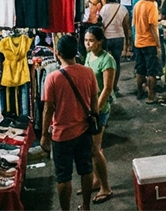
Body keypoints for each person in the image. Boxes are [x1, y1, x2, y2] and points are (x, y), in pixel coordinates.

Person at [40, 36, 98, 211]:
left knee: (63, 177)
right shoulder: (88, 72)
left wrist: (44, 135)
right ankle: (86, 206)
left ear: (57, 53)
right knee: (86, 169)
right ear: (76, 52)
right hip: (84, 130)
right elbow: (94, 100)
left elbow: (48, 110)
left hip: (61, 135)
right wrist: (93, 118)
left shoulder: (53, 78)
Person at [83, 27, 116, 205]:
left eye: (91, 40)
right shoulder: (89, 56)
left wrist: (96, 110)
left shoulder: (107, 60)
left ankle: (106, 188)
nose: (87, 43)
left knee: (95, 150)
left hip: (100, 110)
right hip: (89, 108)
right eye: (86, 40)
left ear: (100, 41)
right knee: (93, 149)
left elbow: (107, 88)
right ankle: (96, 181)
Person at [133, 0, 164, 105]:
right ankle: (151, 97)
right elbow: (152, 25)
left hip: (138, 41)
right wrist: (158, 44)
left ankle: (140, 92)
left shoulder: (138, 4)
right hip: (149, 42)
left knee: (140, 70)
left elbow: (134, 23)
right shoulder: (152, 5)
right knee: (152, 71)